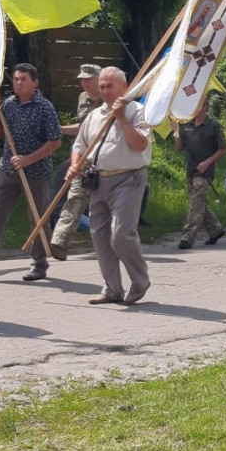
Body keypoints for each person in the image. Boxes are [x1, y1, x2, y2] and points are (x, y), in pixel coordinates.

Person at [0, 63, 62, 283]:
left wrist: (29, 159)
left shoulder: (45, 107)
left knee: (37, 219)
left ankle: (39, 264)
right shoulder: (8, 105)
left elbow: (55, 142)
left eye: (23, 79)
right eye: (16, 79)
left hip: (36, 172)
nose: (18, 83)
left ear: (35, 82)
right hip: (8, 170)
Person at [67, 67, 152, 305]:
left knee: (121, 234)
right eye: (102, 86)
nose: (104, 91)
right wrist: (74, 165)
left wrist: (122, 117)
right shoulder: (94, 116)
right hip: (98, 179)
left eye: (109, 86)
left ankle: (140, 281)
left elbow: (140, 144)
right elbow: (79, 146)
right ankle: (112, 288)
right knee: (100, 236)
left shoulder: (138, 112)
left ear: (124, 87)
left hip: (128, 178)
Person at [50, 63, 104, 261]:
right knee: (75, 196)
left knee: (106, 203)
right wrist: (61, 129)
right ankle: (60, 242)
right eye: (82, 80)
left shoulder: (111, 99)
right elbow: (83, 128)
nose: (84, 84)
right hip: (85, 156)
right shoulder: (83, 99)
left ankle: (118, 241)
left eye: (88, 80)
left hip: (107, 156)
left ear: (100, 79)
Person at [173, 99, 226, 249]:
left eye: (198, 106)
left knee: (194, 206)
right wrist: (176, 131)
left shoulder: (214, 126)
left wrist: (207, 163)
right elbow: (179, 147)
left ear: (205, 107)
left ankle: (187, 237)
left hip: (204, 172)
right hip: (191, 171)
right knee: (200, 203)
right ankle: (216, 230)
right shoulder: (188, 126)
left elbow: (224, 149)